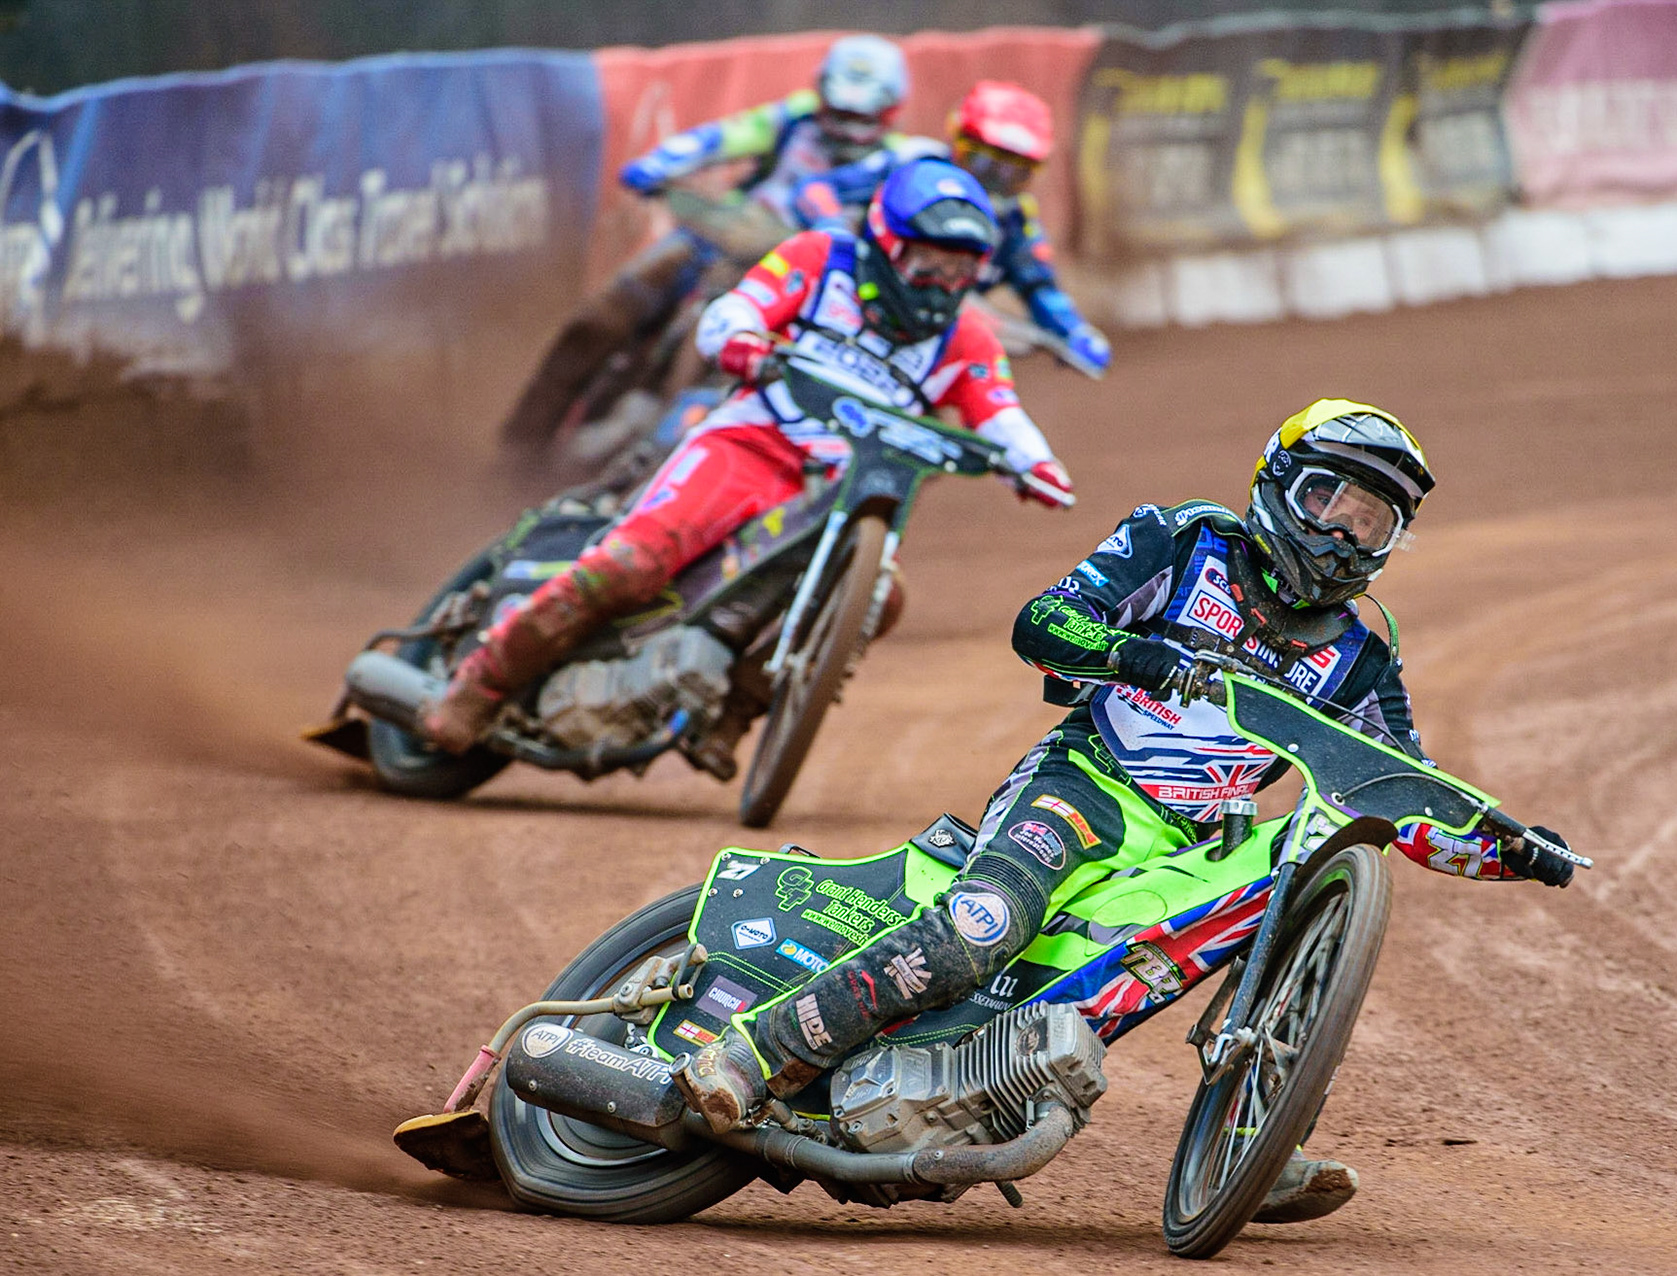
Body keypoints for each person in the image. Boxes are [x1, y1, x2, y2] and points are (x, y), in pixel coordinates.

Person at [675, 398, 1576, 1223]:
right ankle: (752, 1056)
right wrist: (1128, 654)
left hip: (1196, 844)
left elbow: (1403, 791)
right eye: (1328, 499)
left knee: (1308, 865)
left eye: (1372, 520)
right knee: (984, 925)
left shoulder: (1364, 660)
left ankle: (1259, 1133)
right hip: (1084, 784)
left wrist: (1511, 847)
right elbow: (1043, 623)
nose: (1344, 533)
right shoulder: (1184, 542)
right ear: (1277, 485)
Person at [418, 158, 1075, 766]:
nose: (943, 284)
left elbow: (1000, 412)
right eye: (929, 262)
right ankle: (481, 682)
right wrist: (739, 339)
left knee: (882, 597)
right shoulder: (820, 260)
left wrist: (1036, 464)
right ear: (886, 242)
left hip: (842, 492)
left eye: (961, 270)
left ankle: (734, 712)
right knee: (634, 562)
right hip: (750, 446)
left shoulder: (967, 338)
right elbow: (738, 308)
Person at [498, 35, 913, 460]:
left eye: (859, 116)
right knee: (600, 318)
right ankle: (516, 448)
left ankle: (662, 463)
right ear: (822, 92)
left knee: (724, 374)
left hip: (792, 280)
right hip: (713, 238)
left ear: (890, 110)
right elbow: (721, 138)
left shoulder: (901, 167)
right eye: (838, 110)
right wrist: (661, 163)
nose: (845, 125)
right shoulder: (794, 119)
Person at [789, 80, 1111, 376]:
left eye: (1015, 173)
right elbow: (814, 189)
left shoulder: (1017, 220)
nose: (994, 182)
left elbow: (1039, 285)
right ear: (956, 141)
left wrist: (1074, 331)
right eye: (983, 163)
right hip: (844, 303)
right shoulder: (912, 163)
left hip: (927, 343)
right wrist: (836, 232)